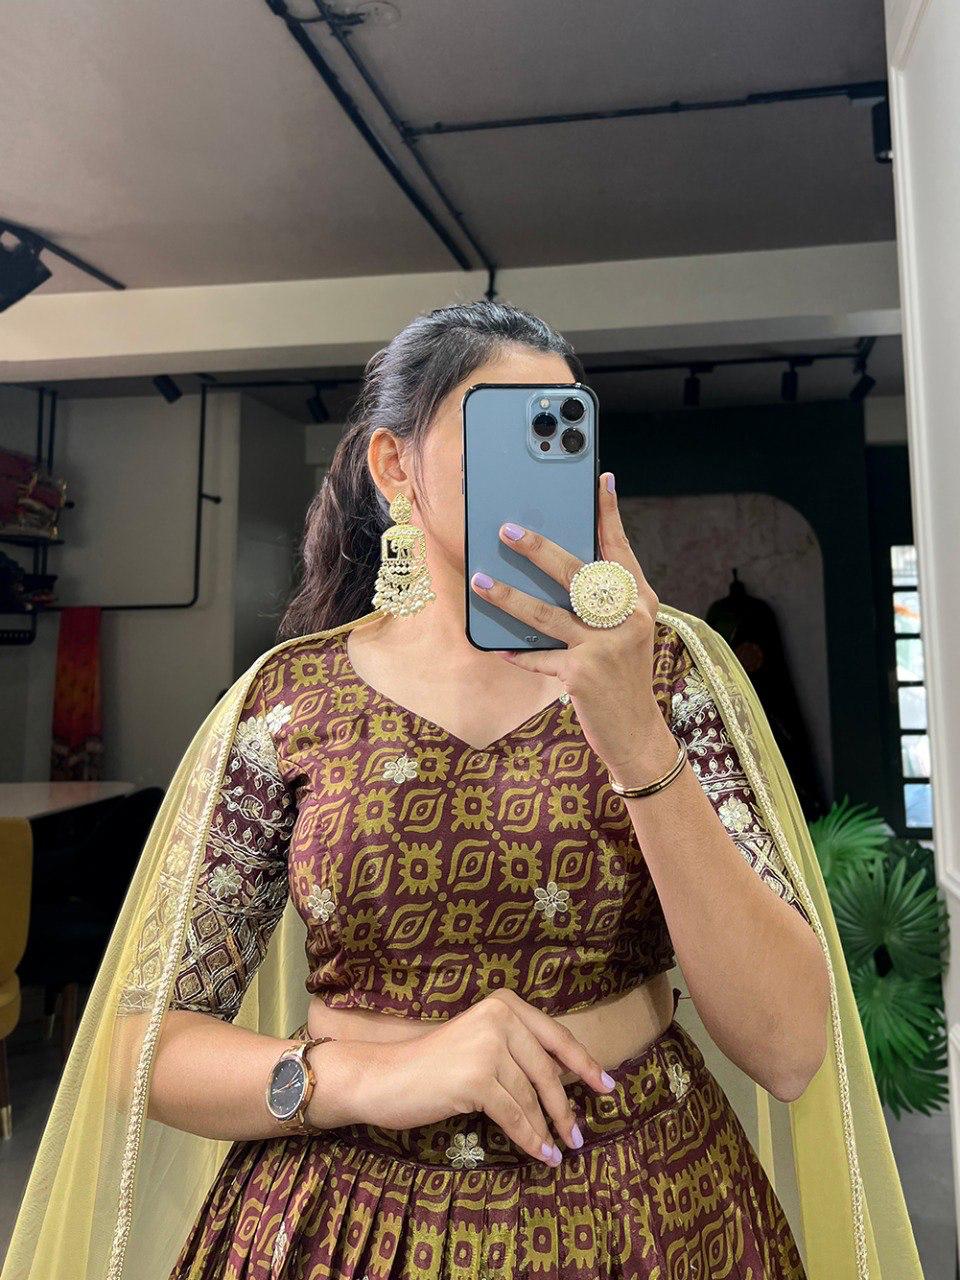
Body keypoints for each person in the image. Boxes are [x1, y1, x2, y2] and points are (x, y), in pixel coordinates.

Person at [3, 301, 923, 1280]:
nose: (539, 466)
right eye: (501, 432)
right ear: (395, 467)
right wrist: (373, 1076)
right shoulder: (289, 701)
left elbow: (788, 1046)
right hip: (338, 1223)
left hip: (649, 1211)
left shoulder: (662, 675)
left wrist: (632, 733)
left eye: (560, 434)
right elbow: (140, 1045)